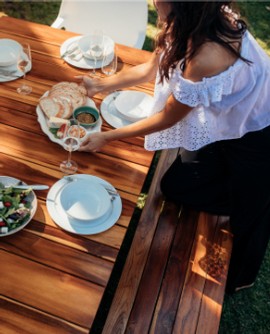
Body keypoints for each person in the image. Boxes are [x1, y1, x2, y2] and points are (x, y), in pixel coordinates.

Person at [77, 1, 270, 294]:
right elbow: (150, 68)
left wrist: (107, 137)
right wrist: (97, 86)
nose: (154, 1)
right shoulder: (189, 23)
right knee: (174, 187)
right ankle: (247, 192)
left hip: (260, 132)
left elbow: (167, 117)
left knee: (251, 216)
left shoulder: (206, 57)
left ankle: (242, 276)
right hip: (228, 127)